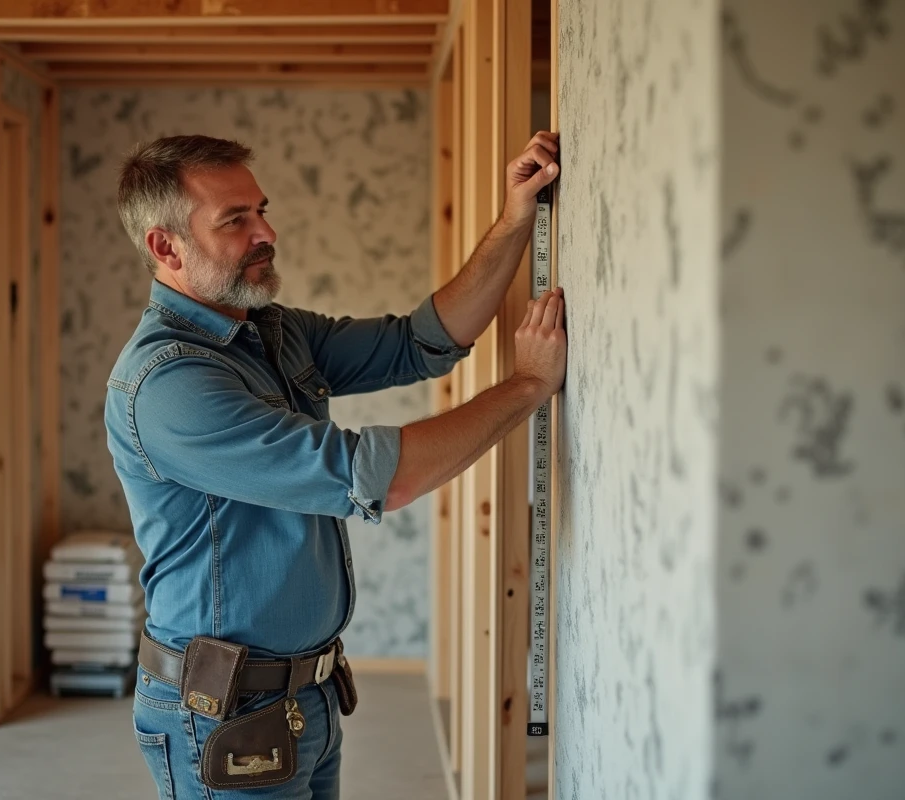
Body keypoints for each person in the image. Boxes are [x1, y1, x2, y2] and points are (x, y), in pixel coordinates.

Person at [105, 132, 566, 799]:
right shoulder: (168, 385)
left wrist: (517, 216)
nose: (266, 232)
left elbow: (421, 342)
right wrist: (526, 387)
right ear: (165, 246)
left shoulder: (270, 330)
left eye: (260, 209)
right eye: (234, 221)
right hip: (222, 711)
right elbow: (372, 476)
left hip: (306, 693)